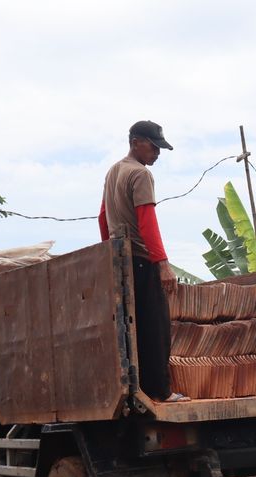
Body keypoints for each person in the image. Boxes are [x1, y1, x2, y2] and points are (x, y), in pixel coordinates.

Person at [99, 120, 188, 403]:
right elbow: (147, 222)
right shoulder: (140, 174)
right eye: (154, 146)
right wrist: (161, 263)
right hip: (141, 259)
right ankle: (160, 390)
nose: (157, 154)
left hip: (122, 262)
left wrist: (108, 255)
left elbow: (103, 216)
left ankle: (137, 389)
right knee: (156, 327)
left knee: (132, 328)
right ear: (136, 142)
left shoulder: (114, 171)